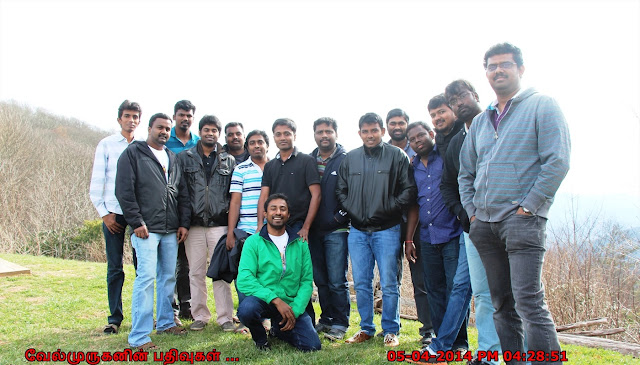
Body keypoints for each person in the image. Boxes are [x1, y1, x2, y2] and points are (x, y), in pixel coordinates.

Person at [459, 42, 570, 365]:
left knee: (528, 302)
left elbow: (557, 161)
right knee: (501, 304)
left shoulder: (542, 106)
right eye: (491, 66)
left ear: (520, 69)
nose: (498, 71)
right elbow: (466, 174)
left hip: (523, 223)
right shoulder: (482, 122)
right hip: (485, 226)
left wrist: (529, 207)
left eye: (505, 64)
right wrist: (473, 215)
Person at [336, 112, 417, 347]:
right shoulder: (350, 159)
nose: (370, 135)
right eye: (365, 131)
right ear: (359, 133)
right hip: (358, 231)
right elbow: (341, 191)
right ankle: (366, 328)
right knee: (361, 281)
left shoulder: (397, 156)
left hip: (388, 229)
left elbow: (408, 191)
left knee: (390, 283)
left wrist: (388, 209)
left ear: (382, 131)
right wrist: (354, 212)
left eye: (374, 130)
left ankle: (391, 330)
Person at [116, 113, 190, 351]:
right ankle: (138, 336)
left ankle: (166, 322)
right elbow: (124, 190)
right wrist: (136, 221)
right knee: (146, 279)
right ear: (149, 128)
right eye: (160, 128)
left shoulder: (172, 157)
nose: (164, 132)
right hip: (145, 229)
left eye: (168, 129)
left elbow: (182, 193)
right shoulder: (133, 153)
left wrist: (183, 223)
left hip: (170, 229)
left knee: (168, 277)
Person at [443, 79, 501, 365]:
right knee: (482, 292)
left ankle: (527, 353)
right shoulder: (457, 142)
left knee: (518, 292)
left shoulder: (499, 123)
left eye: (462, 96)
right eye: (452, 101)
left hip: (509, 221)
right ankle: (489, 354)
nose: (459, 103)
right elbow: (449, 185)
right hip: (473, 227)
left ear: (476, 95)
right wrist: (464, 213)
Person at [404, 121, 469, 362]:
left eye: (421, 135)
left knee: (456, 290)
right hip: (427, 238)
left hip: (452, 234)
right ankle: (442, 340)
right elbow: (414, 205)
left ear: (431, 134)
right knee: (434, 291)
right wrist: (409, 238)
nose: (417, 140)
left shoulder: (445, 158)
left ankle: (459, 343)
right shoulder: (413, 168)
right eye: (412, 139)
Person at [237, 193, 321, 352]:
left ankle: (278, 329)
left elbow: (306, 281)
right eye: (273, 209)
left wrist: (294, 311)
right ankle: (261, 339)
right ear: (265, 214)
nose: (278, 212)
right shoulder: (253, 242)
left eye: (283, 209)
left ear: (288, 215)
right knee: (247, 310)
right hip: (264, 300)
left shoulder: (300, 242)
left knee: (312, 346)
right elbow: (245, 279)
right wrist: (275, 299)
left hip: (290, 303)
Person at [178, 115, 237, 332]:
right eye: (206, 129)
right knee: (195, 271)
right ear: (200, 131)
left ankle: (225, 318)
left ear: (218, 134)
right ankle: (200, 315)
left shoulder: (228, 160)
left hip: (219, 225)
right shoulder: (185, 158)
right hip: (193, 225)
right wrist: (183, 222)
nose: (210, 133)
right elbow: (181, 193)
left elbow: (232, 195)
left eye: (214, 130)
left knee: (220, 271)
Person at [89, 99, 141, 335]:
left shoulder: (142, 146)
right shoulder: (107, 145)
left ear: (140, 121)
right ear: (119, 119)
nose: (131, 120)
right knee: (115, 268)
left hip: (139, 215)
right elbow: (96, 184)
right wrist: (104, 214)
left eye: (135, 117)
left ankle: (142, 316)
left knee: (143, 268)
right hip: (114, 214)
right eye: (127, 116)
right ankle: (114, 318)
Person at [386, 108, 435, 345]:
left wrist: (410, 237)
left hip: (416, 224)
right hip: (389, 223)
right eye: (392, 123)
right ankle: (391, 328)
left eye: (401, 122)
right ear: (386, 127)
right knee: (390, 278)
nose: (397, 126)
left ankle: (428, 329)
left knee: (421, 279)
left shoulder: (416, 155)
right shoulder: (382, 152)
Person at [308, 117, 350, 341]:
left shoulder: (346, 159)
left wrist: (338, 218)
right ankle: (326, 319)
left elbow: (352, 193)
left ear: (336, 133)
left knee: (336, 280)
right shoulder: (308, 160)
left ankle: (341, 323)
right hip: (312, 230)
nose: (324, 135)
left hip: (337, 230)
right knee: (321, 279)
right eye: (320, 132)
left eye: (328, 131)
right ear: (314, 134)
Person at [165, 99, 199, 320]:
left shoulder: (199, 142)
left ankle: (187, 305)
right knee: (172, 261)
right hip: (170, 205)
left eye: (188, 115)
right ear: (174, 116)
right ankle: (171, 308)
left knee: (187, 263)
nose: (185, 119)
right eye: (181, 114)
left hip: (195, 208)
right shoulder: (165, 140)